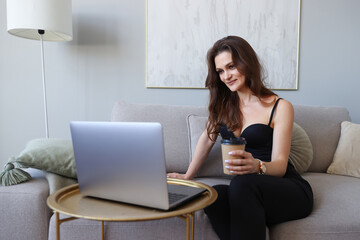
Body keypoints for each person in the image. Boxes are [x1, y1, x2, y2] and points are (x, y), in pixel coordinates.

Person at [167, 36, 313, 240]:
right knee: (214, 195)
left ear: (247, 63)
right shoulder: (223, 108)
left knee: (241, 185)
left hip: (287, 189)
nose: (226, 76)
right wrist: (187, 175)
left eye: (231, 66)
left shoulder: (280, 107)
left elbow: (280, 166)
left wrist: (257, 166)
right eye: (220, 71)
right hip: (247, 193)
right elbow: (207, 139)